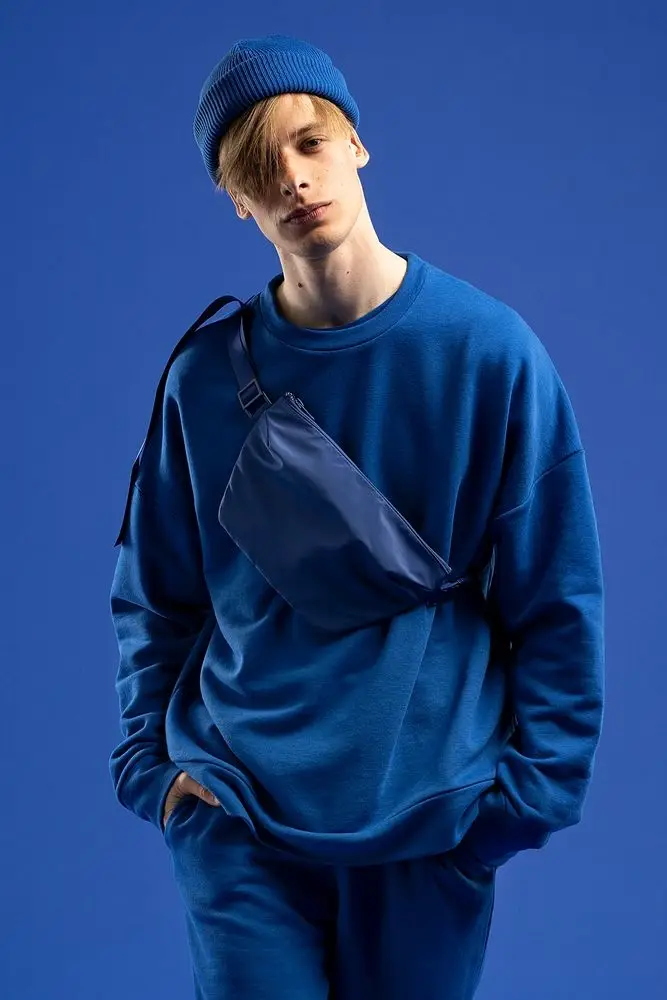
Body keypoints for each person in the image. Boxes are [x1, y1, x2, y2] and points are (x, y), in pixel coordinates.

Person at [108, 33, 605, 1000]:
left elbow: (558, 598)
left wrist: (522, 804)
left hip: (427, 817)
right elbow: (154, 595)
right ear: (236, 199)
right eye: (259, 168)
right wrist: (156, 777)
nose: (293, 180)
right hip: (238, 811)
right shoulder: (203, 382)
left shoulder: (487, 353)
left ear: (355, 145)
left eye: (309, 143)